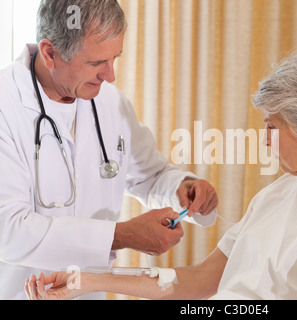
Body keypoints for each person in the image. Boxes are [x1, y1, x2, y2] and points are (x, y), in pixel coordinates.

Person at [25, 49, 297, 300]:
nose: (266, 141)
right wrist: (85, 281)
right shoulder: (279, 193)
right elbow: (198, 280)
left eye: (272, 127)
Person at [0, 0, 218, 300]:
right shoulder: (5, 105)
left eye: (114, 58)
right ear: (50, 53)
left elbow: (150, 176)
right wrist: (122, 235)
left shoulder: (109, 102)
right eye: (95, 63)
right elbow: (8, 229)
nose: (110, 75)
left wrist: (183, 187)